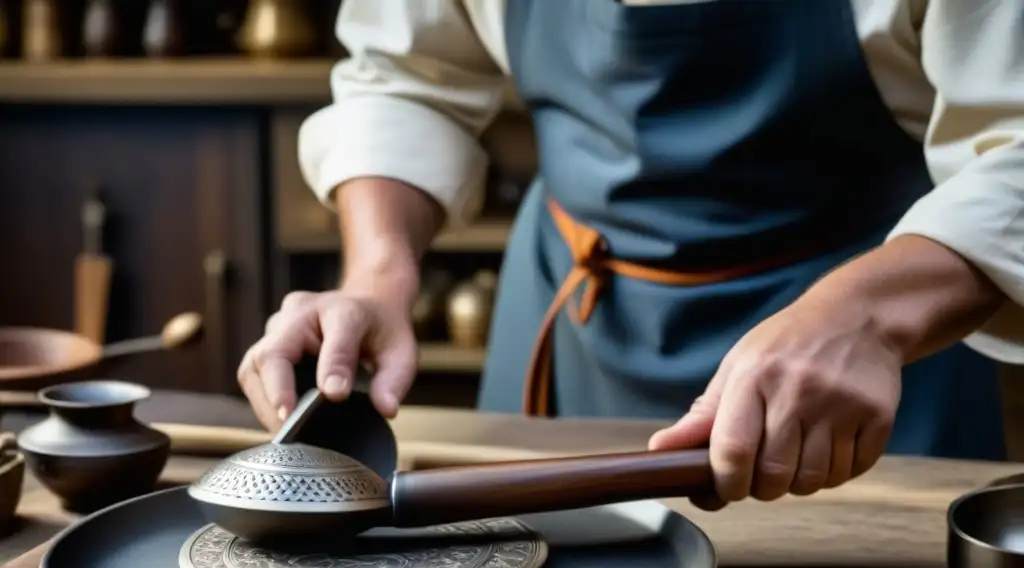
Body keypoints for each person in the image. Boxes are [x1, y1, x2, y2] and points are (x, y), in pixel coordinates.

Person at [238, 0, 1024, 509]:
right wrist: (379, 273)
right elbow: (405, 78)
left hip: (862, 359)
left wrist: (866, 316)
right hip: (573, 334)